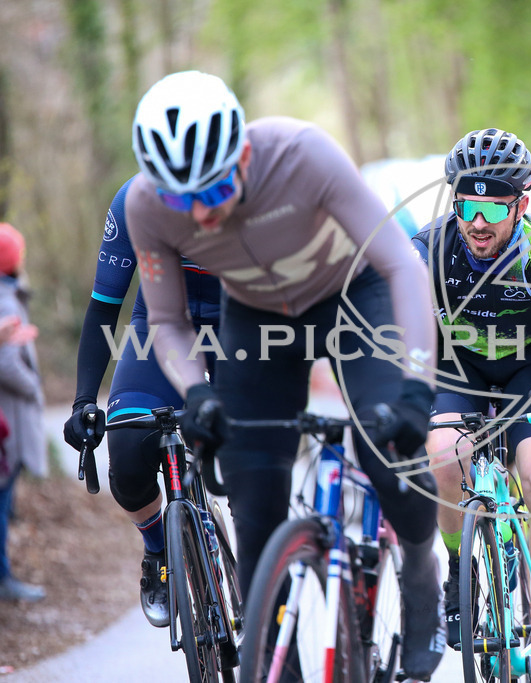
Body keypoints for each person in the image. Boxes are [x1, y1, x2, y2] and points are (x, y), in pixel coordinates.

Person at [123, 70, 444, 679]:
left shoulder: (302, 154)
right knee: (254, 492)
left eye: (213, 189)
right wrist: (197, 393)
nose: (198, 212)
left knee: (387, 450)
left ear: (242, 155)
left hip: (357, 297)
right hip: (260, 318)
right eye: (177, 197)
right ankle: (277, 661)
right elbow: (165, 321)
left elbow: (402, 264)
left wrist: (416, 388)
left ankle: (423, 571)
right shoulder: (146, 207)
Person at [413, 128, 531, 682]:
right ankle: (456, 571)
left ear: (521, 202)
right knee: (444, 455)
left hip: (529, 372)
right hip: (461, 372)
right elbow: (389, 328)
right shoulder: (430, 248)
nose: (477, 221)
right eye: (467, 203)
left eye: (493, 206)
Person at [62, 175, 221, 627]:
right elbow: (103, 307)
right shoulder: (132, 201)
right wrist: (82, 401)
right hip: (158, 322)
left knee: (250, 452)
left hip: (243, 322)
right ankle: (158, 552)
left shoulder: (257, 192)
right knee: (128, 455)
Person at [0, 223, 47, 602]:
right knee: (2, 498)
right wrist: (34, 388)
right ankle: (4, 577)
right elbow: (7, 363)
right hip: (8, 418)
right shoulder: (6, 300)